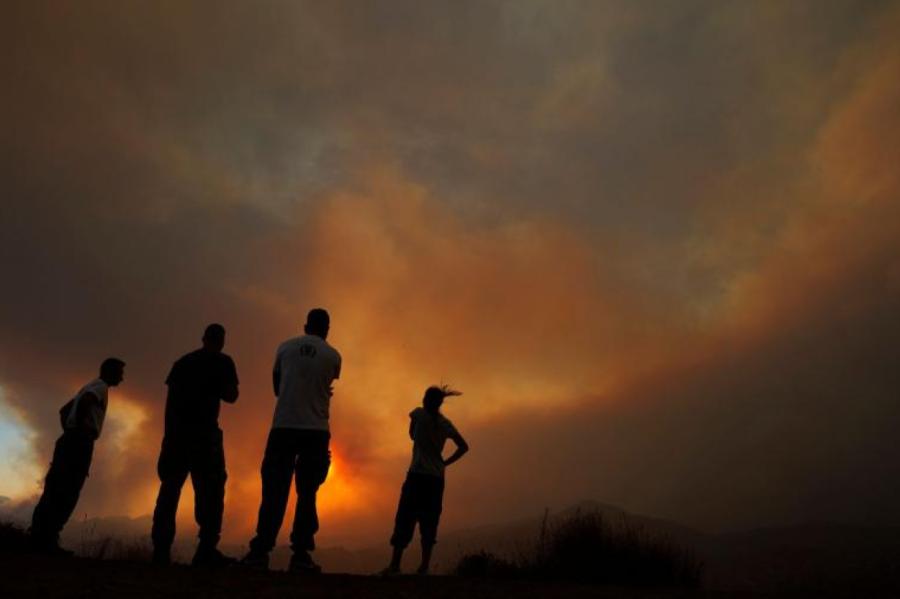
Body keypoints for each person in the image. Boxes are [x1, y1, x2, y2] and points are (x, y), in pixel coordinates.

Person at [242, 308, 341, 573]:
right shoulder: (333, 356)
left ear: (306, 325)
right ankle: (300, 555)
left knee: (274, 489)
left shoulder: (284, 348)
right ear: (327, 329)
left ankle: (260, 551)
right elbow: (325, 385)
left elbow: (277, 388)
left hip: (283, 426)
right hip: (316, 430)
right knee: (307, 493)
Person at [151, 324, 239, 567]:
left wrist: (167, 440)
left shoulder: (183, 363)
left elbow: (169, 405)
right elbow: (232, 396)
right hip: (205, 439)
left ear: (203, 338)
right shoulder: (223, 362)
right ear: (221, 341)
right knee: (211, 493)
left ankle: (160, 551)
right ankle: (206, 550)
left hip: (177, 437)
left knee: (170, 491)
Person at [29, 357, 126, 555]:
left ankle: (38, 537)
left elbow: (64, 410)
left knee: (55, 487)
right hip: (79, 442)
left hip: (69, 440)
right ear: (110, 372)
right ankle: (47, 541)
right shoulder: (99, 387)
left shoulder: (90, 385)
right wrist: (80, 432)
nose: (122, 378)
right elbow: (85, 402)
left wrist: (69, 430)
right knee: (68, 490)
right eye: (120, 373)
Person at [381, 385, 469, 575]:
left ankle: (395, 565)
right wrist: (445, 463)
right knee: (430, 520)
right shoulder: (446, 424)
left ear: (425, 399)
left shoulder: (418, 415)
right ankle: (424, 566)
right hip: (436, 478)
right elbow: (464, 447)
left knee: (405, 517)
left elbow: (412, 436)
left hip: (416, 475)